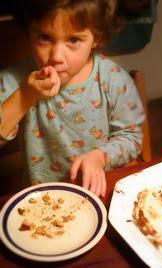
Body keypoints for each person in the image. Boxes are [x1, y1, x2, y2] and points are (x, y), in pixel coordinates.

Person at [0, 0, 147, 198]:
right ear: (29, 31)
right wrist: (26, 95)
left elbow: (132, 138)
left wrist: (100, 157)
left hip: (94, 192)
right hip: (41, 199)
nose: (57, 56)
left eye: (74, 40)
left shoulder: (113, 79)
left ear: (96, 37)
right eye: (44, 37)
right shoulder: (17, 80)